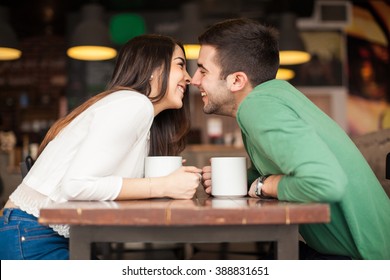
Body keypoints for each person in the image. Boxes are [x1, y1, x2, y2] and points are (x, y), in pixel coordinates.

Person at [193, 18, 390, 260]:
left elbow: (325, 183)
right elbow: (273, 171)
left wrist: (264, 186)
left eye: (203, 70)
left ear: (237, 80)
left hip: (364, 262)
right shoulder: (271, 97)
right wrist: (240, 179)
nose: (194, 80)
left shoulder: (258, 107)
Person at [0, 34, 202, 260]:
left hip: (39, 234)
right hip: (34, 238)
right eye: (180, 65)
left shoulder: (135, 111)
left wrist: (166, 182)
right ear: (153, 69)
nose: (189, 78)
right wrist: (163, 186)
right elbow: (76, 186)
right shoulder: (134, 104)